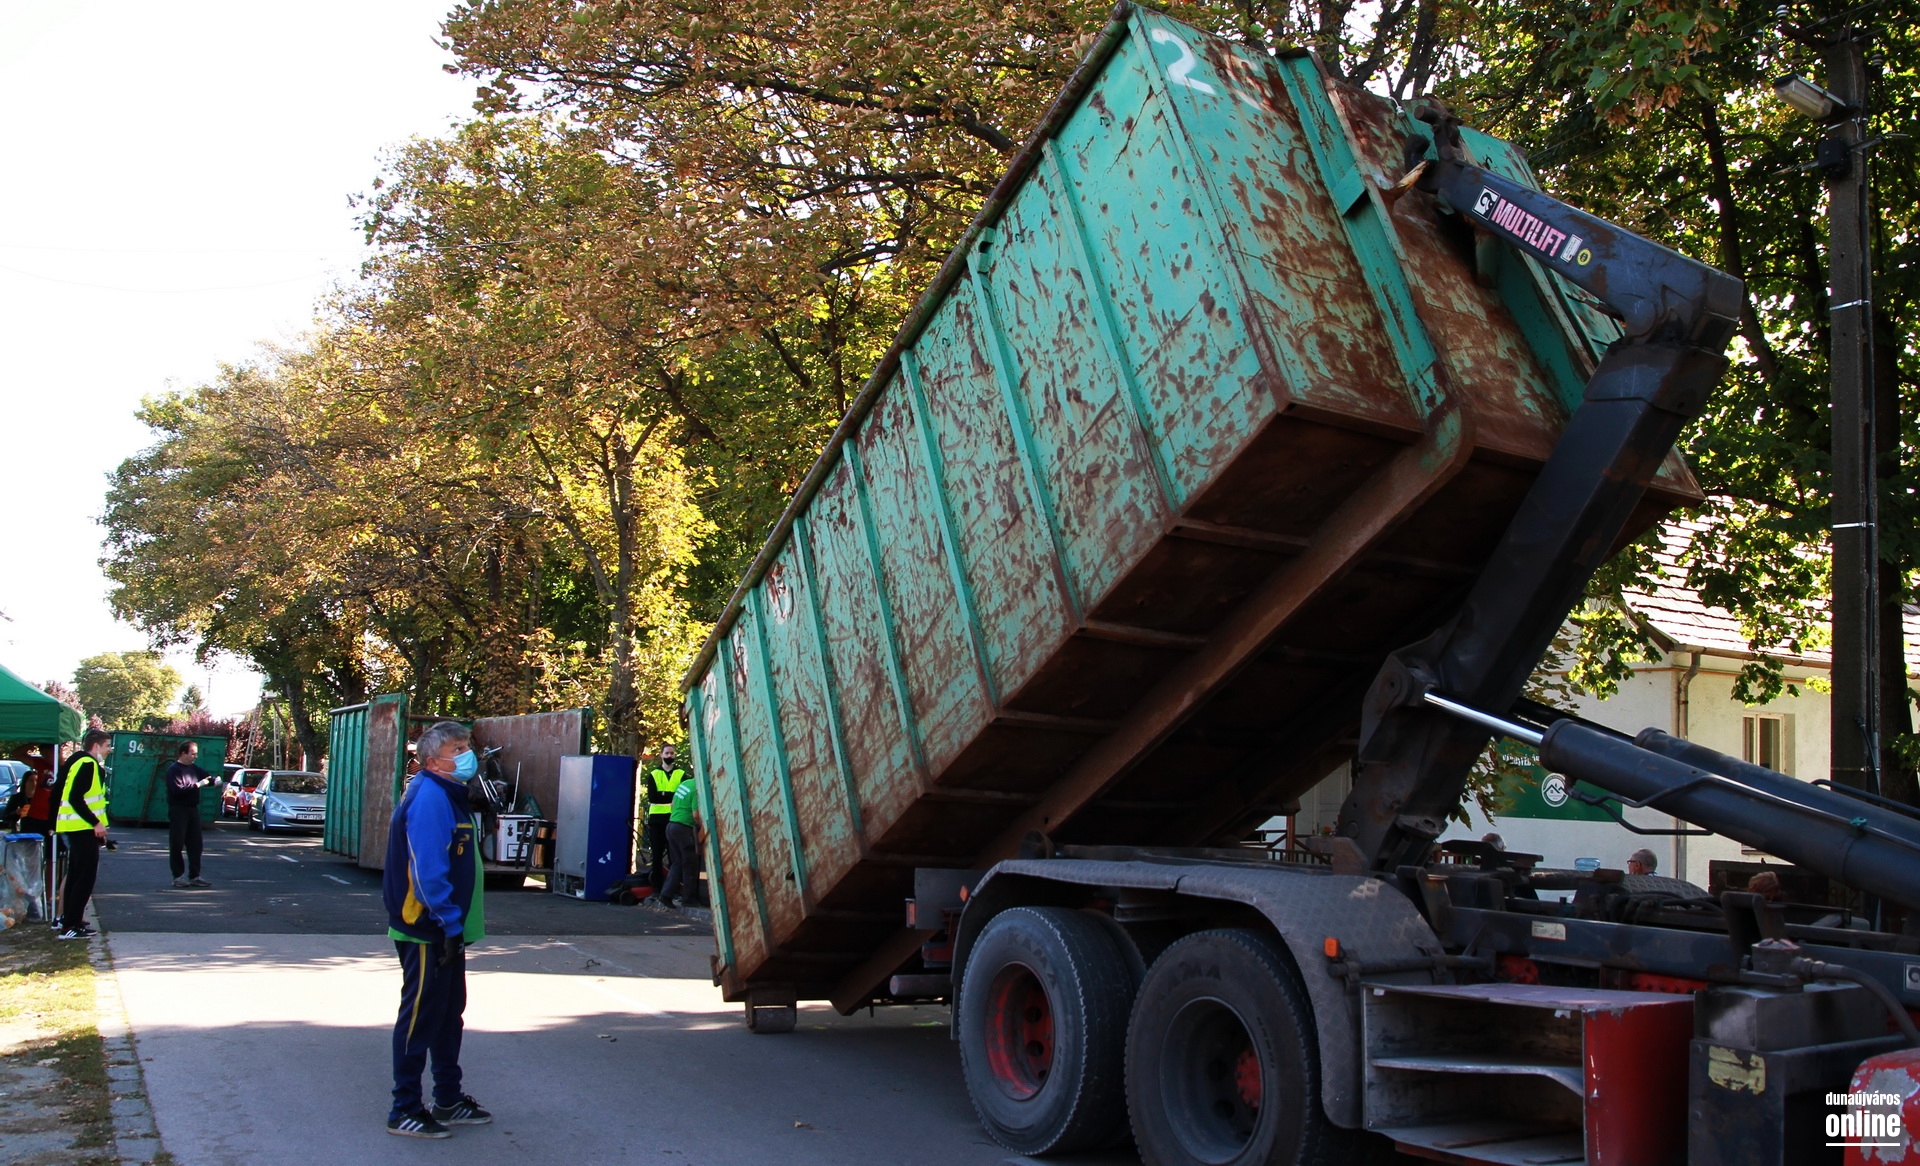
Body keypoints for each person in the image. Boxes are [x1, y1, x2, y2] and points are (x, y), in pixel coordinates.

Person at [381, 721, 491, 1139]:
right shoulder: (430, 797)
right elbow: (427, 871)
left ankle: (447, 1097)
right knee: (421, 1017)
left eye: (466, 746)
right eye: (457, 749)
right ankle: (405, 1108)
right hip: (428, 928)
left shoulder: (449, 794)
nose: (467, 755)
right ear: (432, 762)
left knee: (447, 1016)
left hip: (447, 928)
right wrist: (446, 922)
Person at [54, 730, 112, 940]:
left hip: (79, 828)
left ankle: (70, 920)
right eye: (107, 746)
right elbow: (76, 798)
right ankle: (71, 924)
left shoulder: (81, 763)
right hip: (82, 828)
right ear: (96, 746)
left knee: (76, 875)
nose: (109, 750)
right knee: (84, 877)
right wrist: (96, 823)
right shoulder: (88, 764)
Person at [162, 742, 215, 888]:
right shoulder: (174, 770)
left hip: (192, 809)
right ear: (183, 753)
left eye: (196, 754)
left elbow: (207, 778)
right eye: (192, 754)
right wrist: (198, 785)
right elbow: (177, 791)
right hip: (178, 809)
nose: (195, 757)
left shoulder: (194, 769)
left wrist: (214, 780)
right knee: (177, 843)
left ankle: (194, 876)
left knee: (196, 844)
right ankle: (178, 876)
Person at [643, 744, 686, 890]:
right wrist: (672, 796)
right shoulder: (654, 774)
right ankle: (657, 888)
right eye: (666, 753)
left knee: (675, 856)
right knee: (657, 854)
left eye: (672, 753)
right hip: (657, 820)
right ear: (661, 755)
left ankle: (674, 888)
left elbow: (683, 796)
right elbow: (652, 797)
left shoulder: (681, 774)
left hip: (674, 818)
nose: (669, 756)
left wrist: (663, 795)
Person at [657, 772, 701, 910]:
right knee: (690, 864)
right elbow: (696, 815)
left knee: (677, 863)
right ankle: (689, 899)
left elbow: (673, 804)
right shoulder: (697, 789)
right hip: (684, 828)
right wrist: (704, 827)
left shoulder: (685, 784)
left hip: (671, 825)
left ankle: (666, 895)